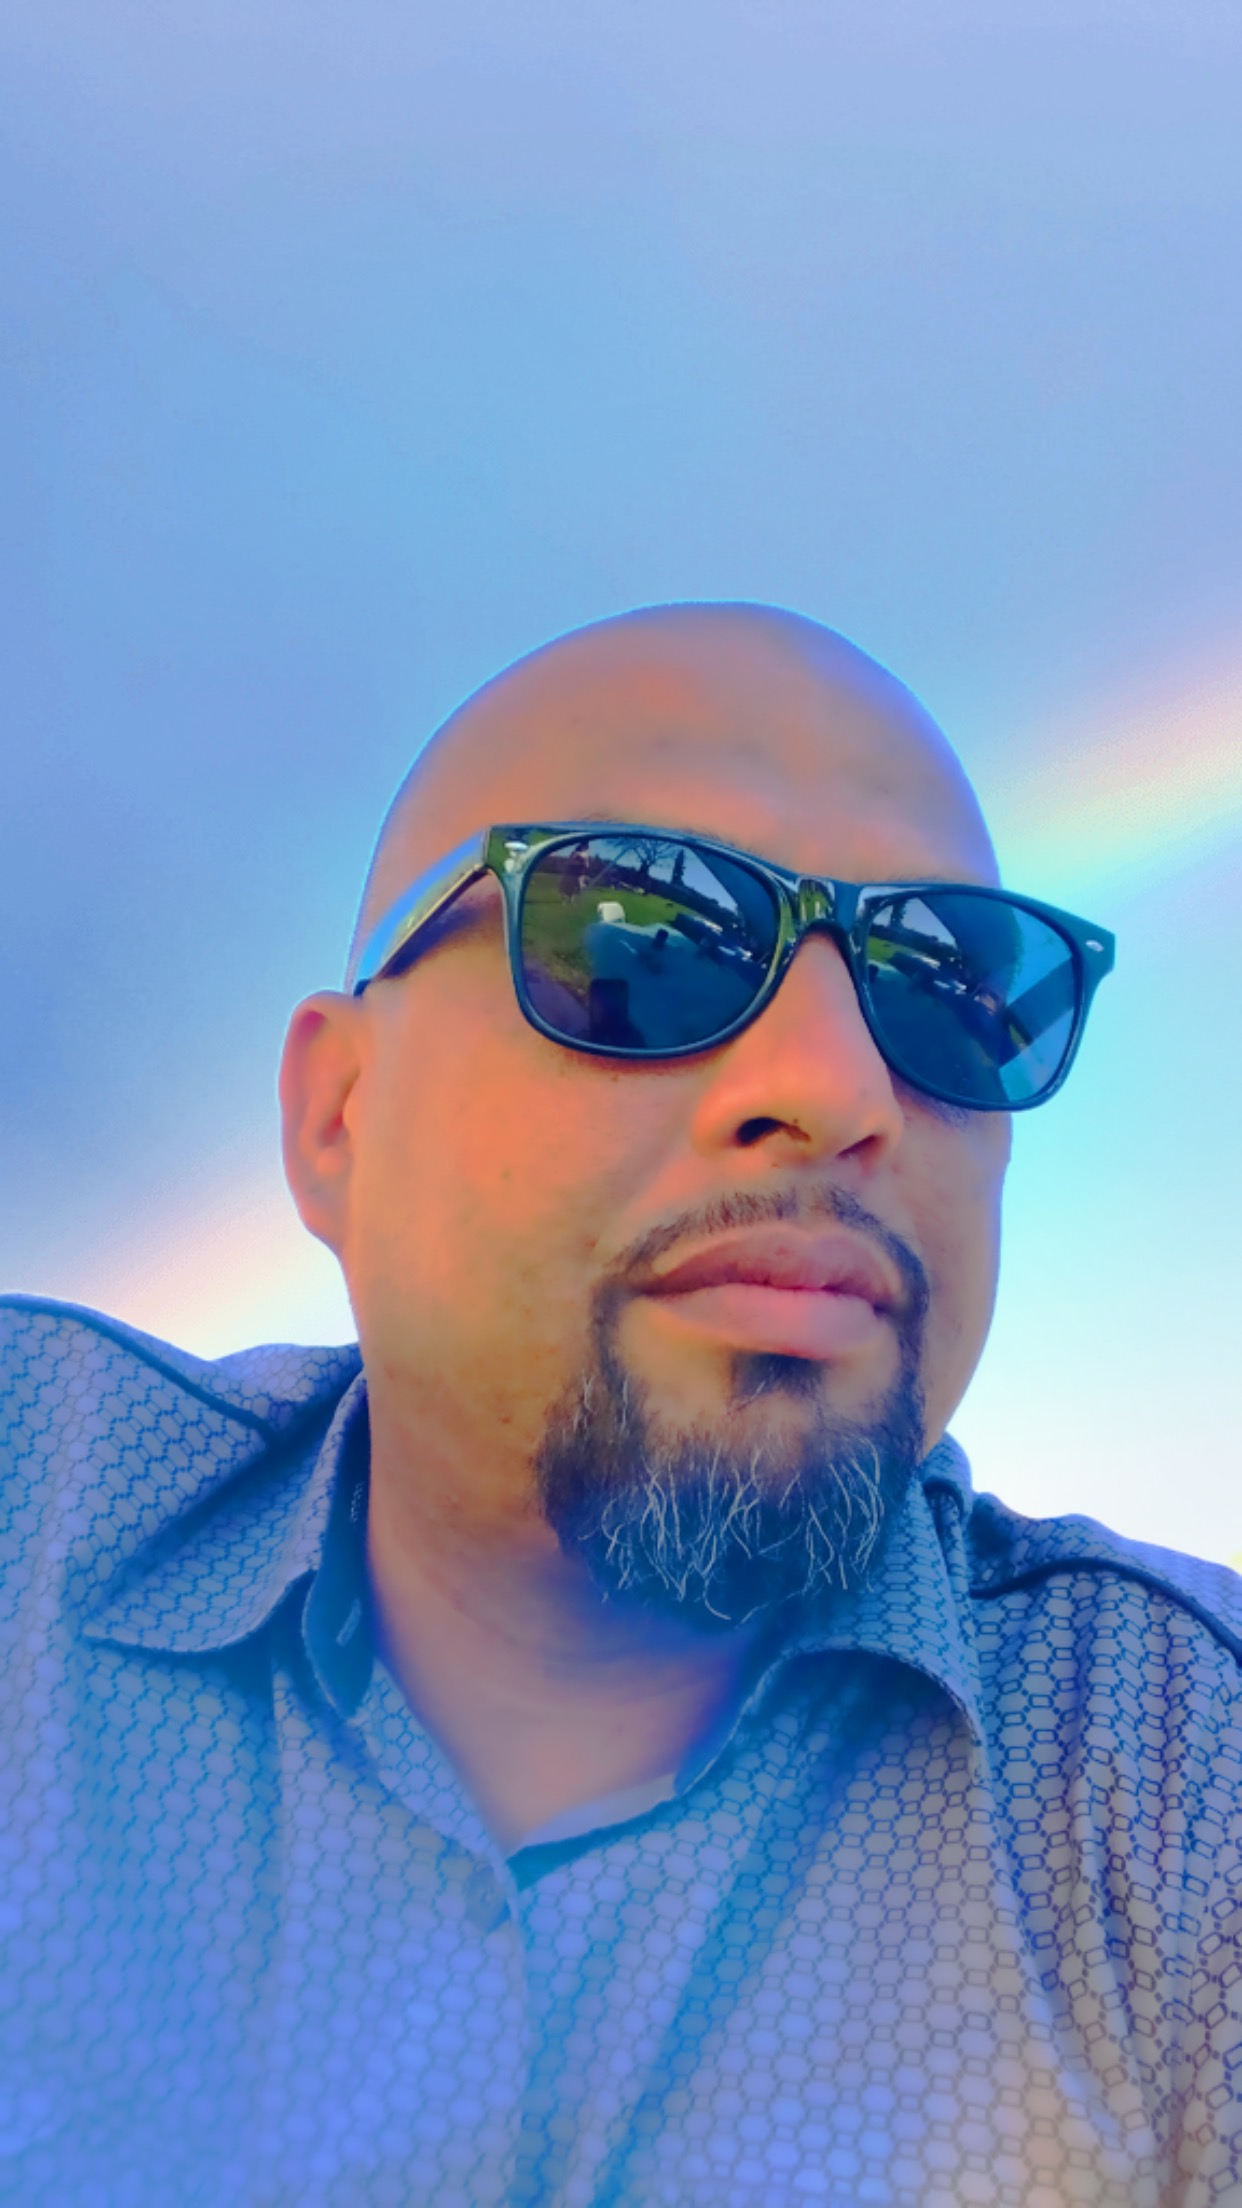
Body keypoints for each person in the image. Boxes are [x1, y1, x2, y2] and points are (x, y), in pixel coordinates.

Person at [1, 603, 1238, 2208]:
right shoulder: (32, 1508)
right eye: (639, 941)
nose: (836, 1091)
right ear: (338, 1117)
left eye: (946, 990)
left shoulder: (1177, 1793)